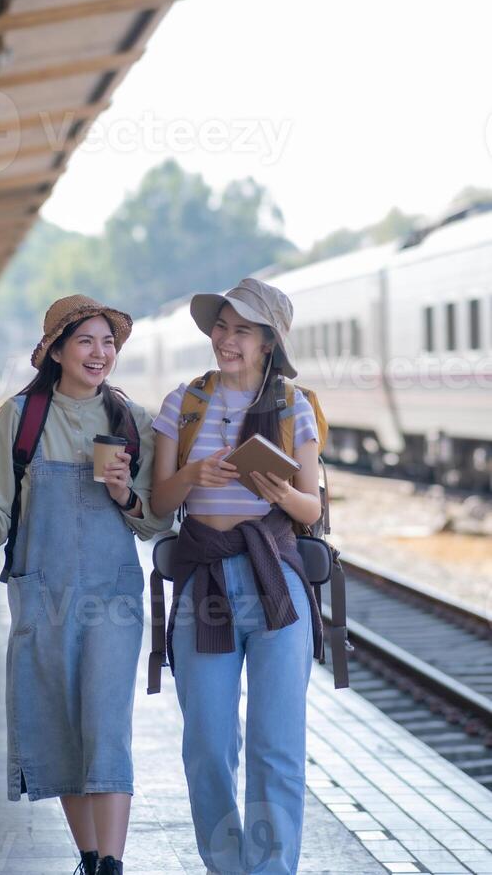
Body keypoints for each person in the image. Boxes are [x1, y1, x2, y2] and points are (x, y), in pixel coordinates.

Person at [0, 295, 173, 875]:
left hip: (113, 594)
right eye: (87, 342)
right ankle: (91, 859)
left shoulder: (132, 422)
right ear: (59, 351)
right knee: (62, 724)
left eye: (108, 343)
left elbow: (154, 521)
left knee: (104, 724)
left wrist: (123, 492)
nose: (101, 354)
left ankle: (113, 865)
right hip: (43, 592)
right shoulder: (21, 417)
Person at [150, 277, 324, 875]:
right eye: (221, 327)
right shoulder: (185, 402)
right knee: (207, 745)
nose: (225, 340)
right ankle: (226, 866)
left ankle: (271, 870)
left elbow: (311, 508)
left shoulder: (293, 406)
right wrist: (194, 476)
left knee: (276, 747)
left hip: (277, 582)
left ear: (268, 342)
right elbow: (157, 501)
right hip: (206, 584)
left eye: (241, 330)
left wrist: (279, 491)